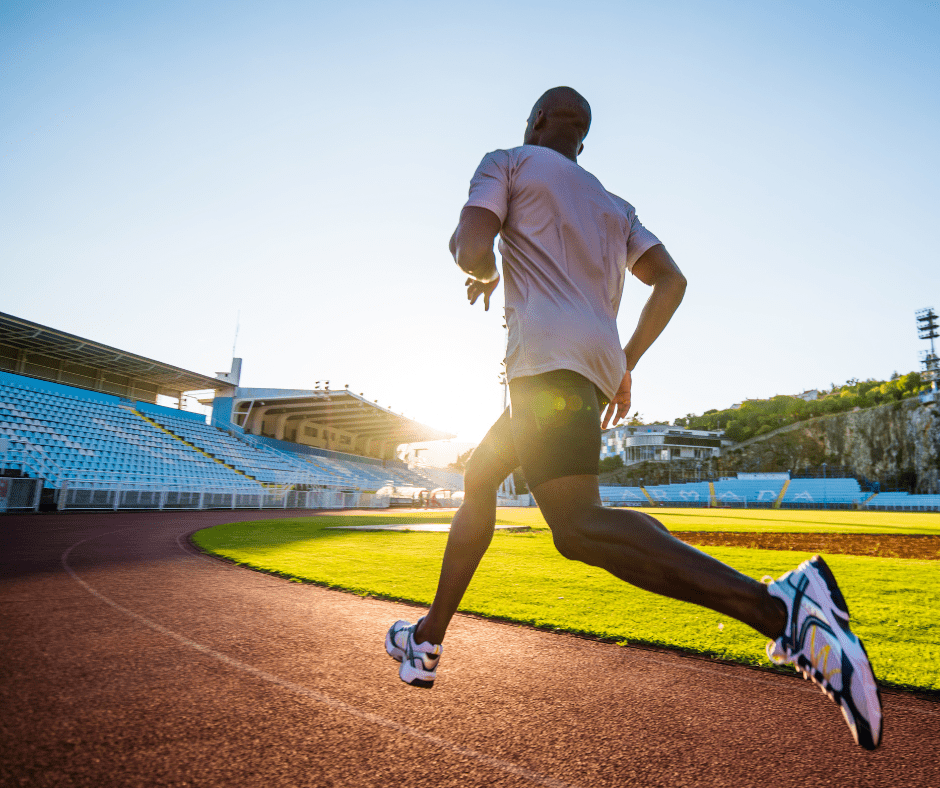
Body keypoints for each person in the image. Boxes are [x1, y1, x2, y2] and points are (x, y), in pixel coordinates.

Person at [385, 87, 882, 750]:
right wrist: (626, 361)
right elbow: (671, 281)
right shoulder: (615, 207)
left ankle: (783, 608)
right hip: (582, 371)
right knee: (481, 480)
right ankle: (427, 640)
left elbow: (470, 244)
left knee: (579, 527)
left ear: (534, 124)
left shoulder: (506, 162)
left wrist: (478, 269)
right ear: (582, 140)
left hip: (546, 369)